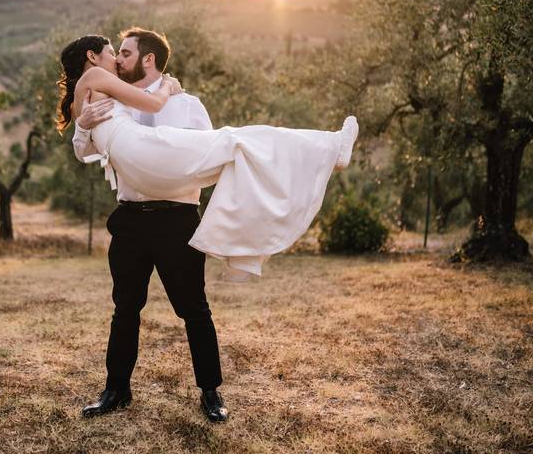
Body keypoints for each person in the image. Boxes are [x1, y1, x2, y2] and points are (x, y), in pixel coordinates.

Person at [63, 29, 359, 422]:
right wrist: (82, 122)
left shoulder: (187, 105)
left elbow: (203, 158)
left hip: (176, 220)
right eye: (114, 54)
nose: (118, 60)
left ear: (147, 59)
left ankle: (210, 393)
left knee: (195, 309)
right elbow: (83, 149)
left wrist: (164, 101)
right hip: (132, 219)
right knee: (125, 309)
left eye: (125, 54)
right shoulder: (112, 94)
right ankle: (116, 390)